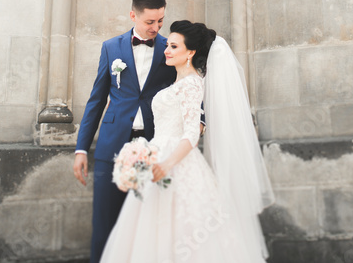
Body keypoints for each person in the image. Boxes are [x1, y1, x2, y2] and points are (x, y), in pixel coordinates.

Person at [99, 20, 275, 263]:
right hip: (158, 155)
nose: (166, 50)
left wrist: (168, 163)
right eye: (168, 45)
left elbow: (192, 133)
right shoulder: (179, 82)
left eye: (173, 46)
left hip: (175, 161)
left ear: (190, 52)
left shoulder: (192, 84)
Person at [73, 0, 177, 263]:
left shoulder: (171, 49)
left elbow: (186, 87)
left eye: (160, 21)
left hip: (155, 147)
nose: (156, 27)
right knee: (105, 224)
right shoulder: (111, 48)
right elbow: (96, 100)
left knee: (150, 226)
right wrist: (81, 149)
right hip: (112, 146)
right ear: (133, 15)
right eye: (149, 21)